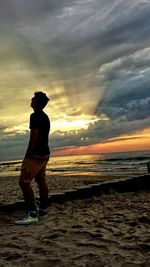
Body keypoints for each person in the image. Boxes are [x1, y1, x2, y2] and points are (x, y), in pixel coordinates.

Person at [15, 91, 50, 225]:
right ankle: (43, 211)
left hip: (35, 154)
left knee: (24, 182)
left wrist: (27, 155)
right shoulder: (45, 117)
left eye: (33, 99)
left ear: (37, 103)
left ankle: (32, 214)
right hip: (45, 153)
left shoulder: (34, 116)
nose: (31, 100)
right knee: (41, 181)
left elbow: (33, 137)